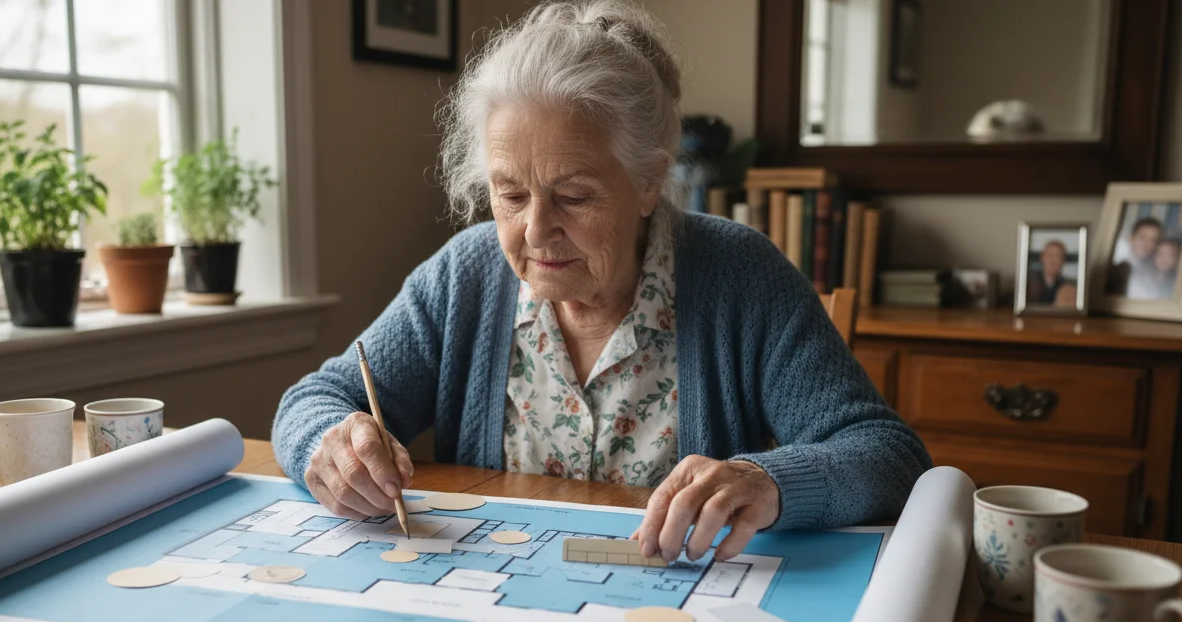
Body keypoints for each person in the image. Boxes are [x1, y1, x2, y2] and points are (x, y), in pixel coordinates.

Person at [273, 0, 930, 563]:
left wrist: (764, 479)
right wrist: (328, 443)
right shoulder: (462, 276)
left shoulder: (741, 276)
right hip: (492, 606)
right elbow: (314, 398)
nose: (534, 232)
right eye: (509, 194)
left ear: (648, 182)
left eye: (575, 196)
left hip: (676, 617)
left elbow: (888, 456)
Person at [1110, 217, 1162, 297]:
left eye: (1153, 240)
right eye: (1143, 238)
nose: (1147, 244)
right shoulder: (1115, 267)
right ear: (1131, 239)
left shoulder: (1158, 271)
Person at [1026, 240, 1075, 306]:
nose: (1053, 260)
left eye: (1057, 256)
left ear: (1063, 260)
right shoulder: (1029, 282)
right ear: (1042, 258)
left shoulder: (1066, 287)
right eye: (1049, 255)